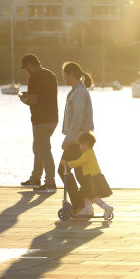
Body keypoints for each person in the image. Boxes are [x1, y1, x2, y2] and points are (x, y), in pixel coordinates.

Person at [19, 54, 58, 193]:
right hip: (53, 118)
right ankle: (35, 179)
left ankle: (50, 182)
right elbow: (45, 94)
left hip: (41, 119)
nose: (26, 70)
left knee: (44, 150)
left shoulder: (34, 77)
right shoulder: (50, 74)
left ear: (30, 64)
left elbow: (33, 100)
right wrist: (30, 94)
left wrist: (23, 99)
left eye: (26, 68)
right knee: (38, 148)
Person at [58, 61, 94, 213]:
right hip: (77, 139)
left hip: (77, 140)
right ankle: (85, 205)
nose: (64, 78)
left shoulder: (79, 92)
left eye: (65, 75)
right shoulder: (76, 90)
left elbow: (77, 119)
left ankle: (80, 205)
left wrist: (67, 140)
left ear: (71, 74)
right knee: (79, 172)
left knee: (63, 169)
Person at [61, 131, 113, 219]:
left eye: (80, 144)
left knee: (92, 196)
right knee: (86, 195)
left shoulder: (88, 154)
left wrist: (67, 163)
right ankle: (89, 209)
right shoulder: (89, 152)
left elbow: (79, 162)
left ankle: (107, 207)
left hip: (92, 178)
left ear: (85, 144)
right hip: (91, 177)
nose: (80, 147)